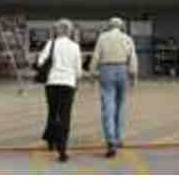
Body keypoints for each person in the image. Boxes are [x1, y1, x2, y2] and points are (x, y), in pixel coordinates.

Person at [90, 17, 138, 158]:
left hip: (106, 70)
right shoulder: (127, 38)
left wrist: (92, 73)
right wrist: (133, 76)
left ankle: (110, 140)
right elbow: (132, 57)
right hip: (122, 69)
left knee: (108, 105)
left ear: (109, 26)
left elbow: (96, 55)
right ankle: (119, 138)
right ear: (121, 26)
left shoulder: (102, 37)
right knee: (121, 105)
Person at [37, 18, 83, 163]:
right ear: (69, 31)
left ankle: (51, 141)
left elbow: (40, 61)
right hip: (68, 83)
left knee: (52, 111)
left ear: (58, 31)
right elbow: (78, 69)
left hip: (52, 82)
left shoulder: (51, 44)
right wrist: (77, 79)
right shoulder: (74, 46)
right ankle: (62, 148)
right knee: (64, 115)